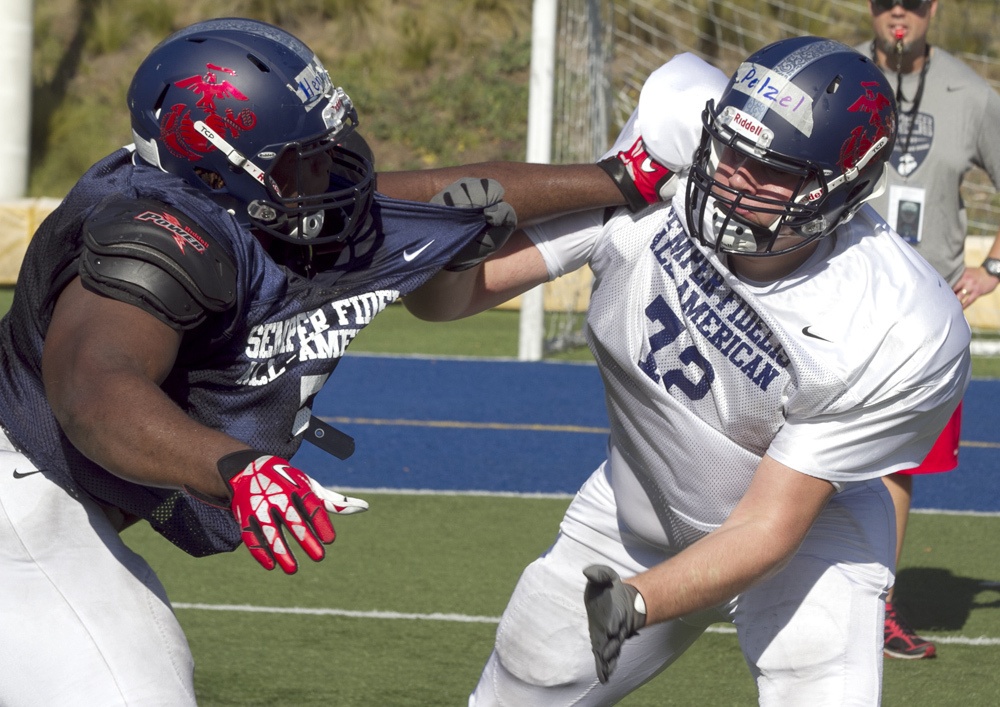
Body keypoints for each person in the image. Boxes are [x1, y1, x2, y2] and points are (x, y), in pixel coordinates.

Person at [0, 17, 645, 705]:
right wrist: (235, 467)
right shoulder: (159, 233)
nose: (326, 169)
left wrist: (620, 178)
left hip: (53, 503)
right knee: (133, 688)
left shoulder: (260, 211)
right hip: (25, 500)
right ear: (216, 161)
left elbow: (425, 193)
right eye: (298, 158)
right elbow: (93, 386)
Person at [400, 37, 970, 704]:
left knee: (817, 676)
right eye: (730, 148)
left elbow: (768, 528)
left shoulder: (889, 321)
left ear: (841, 189)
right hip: (637, 506)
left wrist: (640, 601)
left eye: (772, 169)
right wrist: (459, 250)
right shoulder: (667, 161)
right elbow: (447, 303)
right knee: (523, 681)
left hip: (812, 544)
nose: (733, 177)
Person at [859, 0, 1000, 660]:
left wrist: (992, 267)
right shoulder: (831, 76)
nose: (899, 14)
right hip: (828, 303)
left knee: (893, 464)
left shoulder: (972, 95)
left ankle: (873, 607)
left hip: (923, 318)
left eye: (912, 4)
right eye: (887, 2)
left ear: (932, 9)